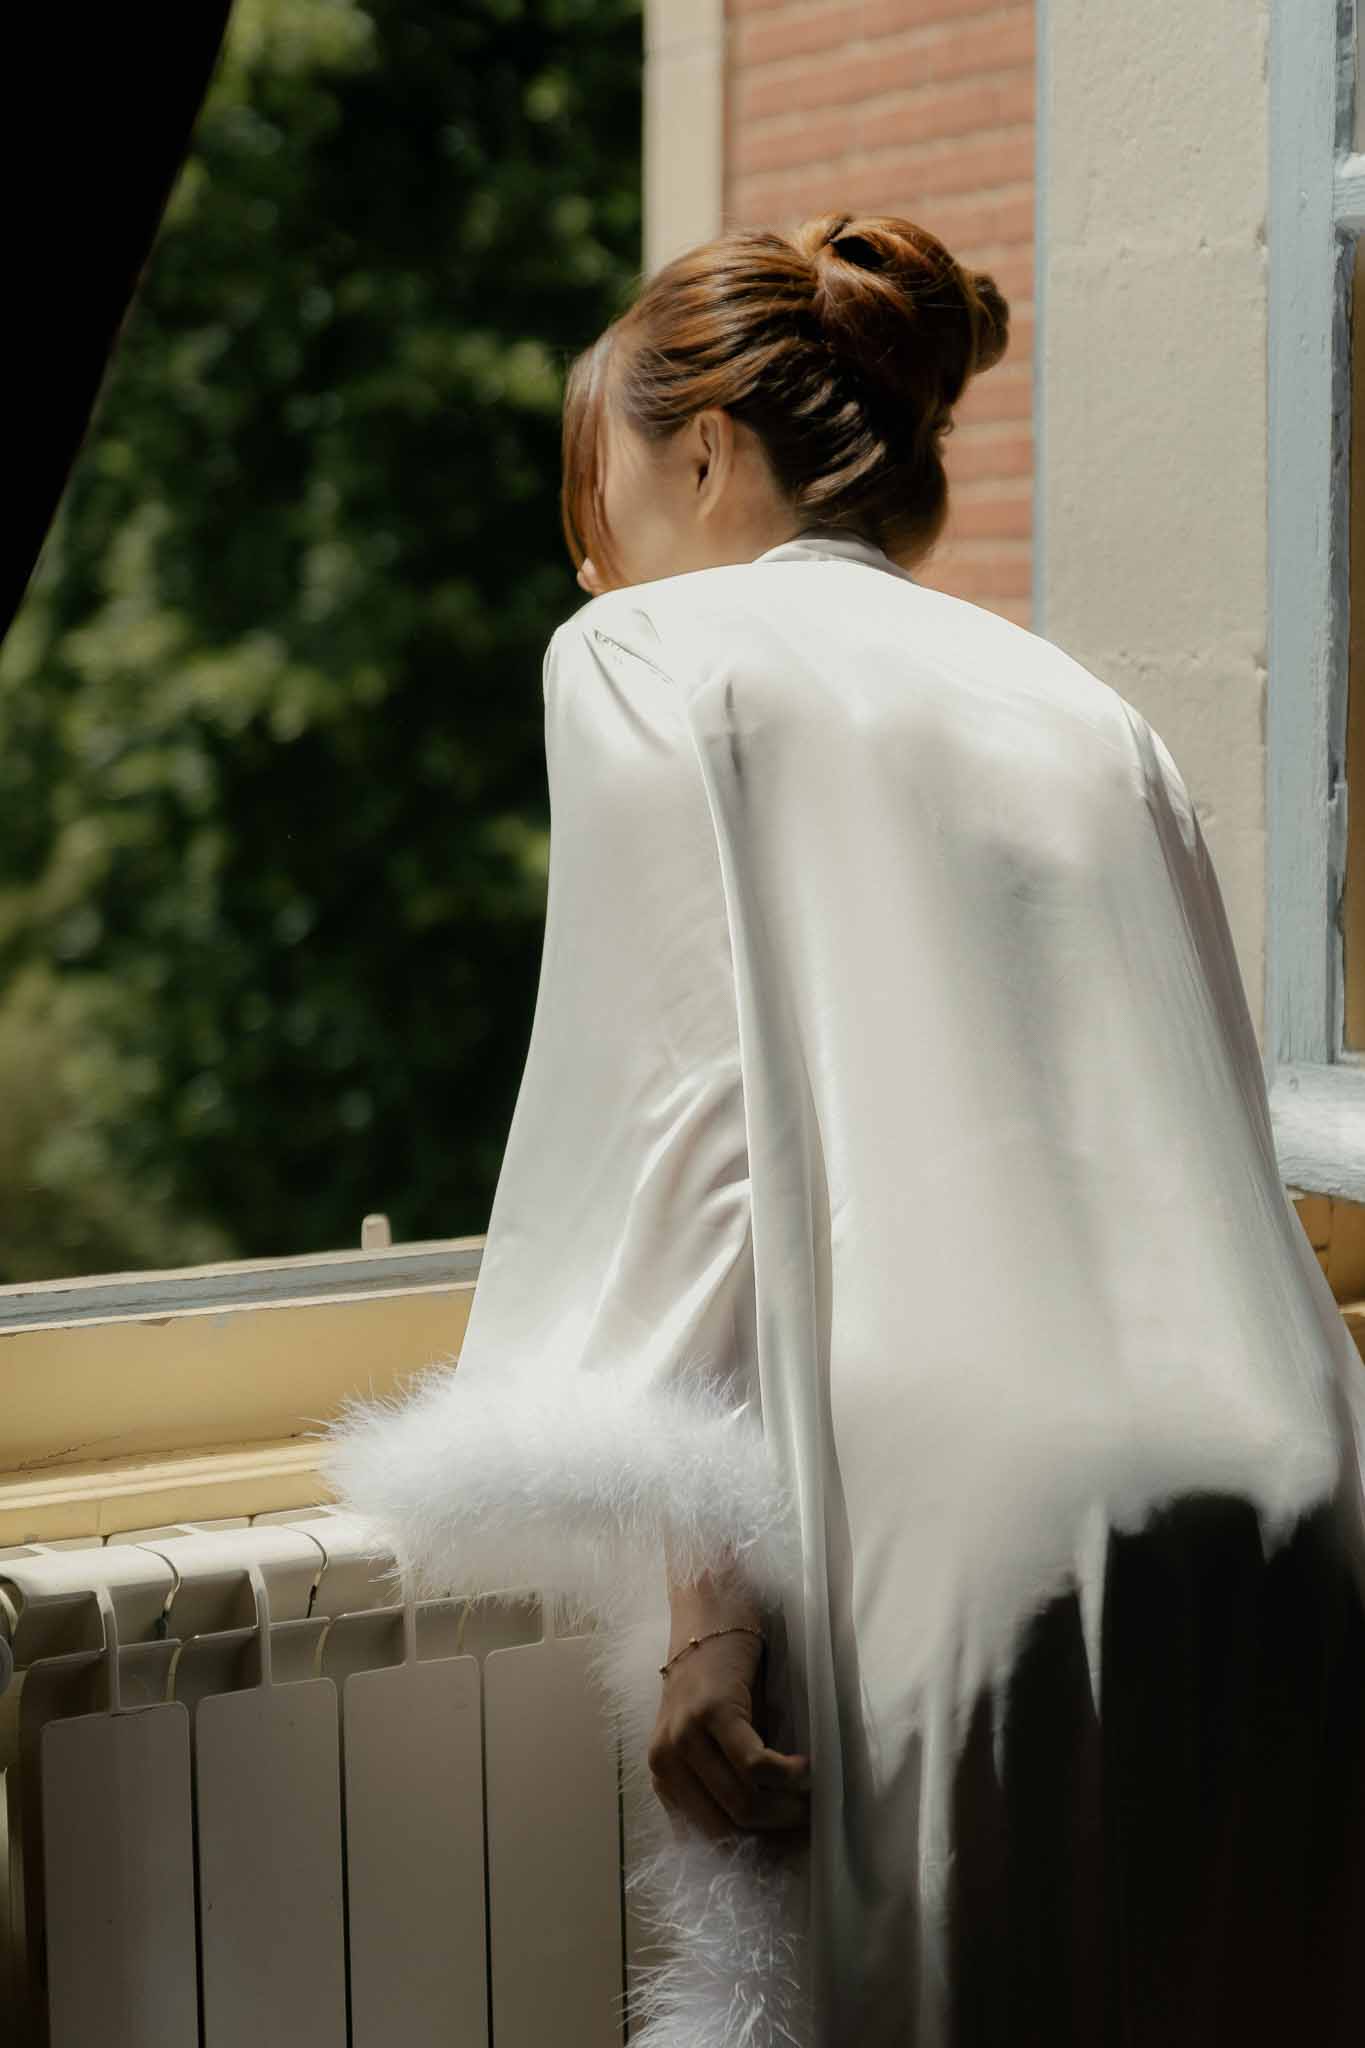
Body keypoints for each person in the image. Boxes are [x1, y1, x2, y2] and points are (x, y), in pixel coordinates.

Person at [321, 213, 1365, 2046]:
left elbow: (693, 1130)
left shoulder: (651, 654)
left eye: (599, 495)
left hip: (979, 1529)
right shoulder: (1079, 701)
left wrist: (705, 1621)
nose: (591, 560)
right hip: (1295, 1501)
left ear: (704, 449)